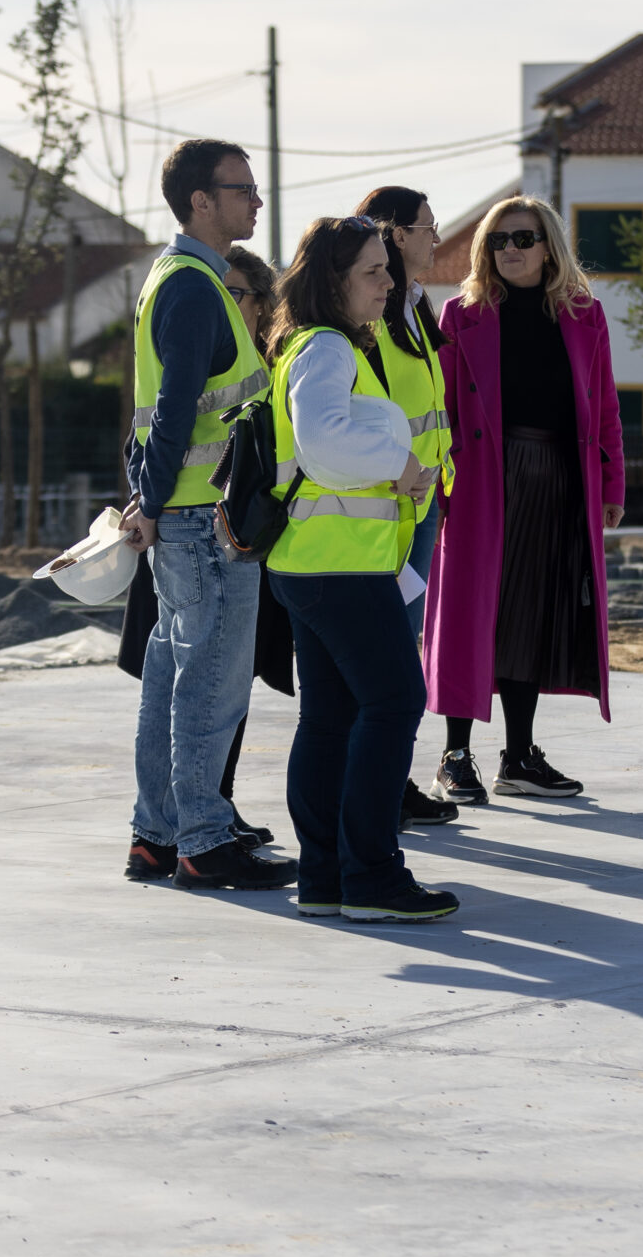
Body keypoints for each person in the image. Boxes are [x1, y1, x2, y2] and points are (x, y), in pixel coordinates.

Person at [266, 215, 457, 923]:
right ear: (335, 279)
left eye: (387, 267)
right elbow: (322, 442)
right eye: (374, 271)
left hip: (317, 563)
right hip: (339, 566)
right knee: (394, 703)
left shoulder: (312, 345)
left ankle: (327, 876)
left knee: (330, 716)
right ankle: (371, 875)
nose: (389, 281)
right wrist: (400, 464)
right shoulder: (326, 349)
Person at [121, 138, 297, 891]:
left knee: (170, 670)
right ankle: (201, 838)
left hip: (188, 519)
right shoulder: (193, 287)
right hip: (206, 523)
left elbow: (163, 415)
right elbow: (172, 414)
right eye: (242, 189)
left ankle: (158, 834)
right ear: (200, 199)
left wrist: (147, 498)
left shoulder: (183, 277)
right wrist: (153, 503)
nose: (256, 200)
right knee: (210, 682)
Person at [423, 195, 625, 803]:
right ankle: (456, 756)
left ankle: (519, 756)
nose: (509, 249)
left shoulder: (585, 315)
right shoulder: (461, 315)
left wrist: (611, 486)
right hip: (482, 477)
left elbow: (607, 408)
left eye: (522, 238)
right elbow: (441, 411)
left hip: (560, 475)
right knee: (471, 614)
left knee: (532, 612)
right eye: (498, 241)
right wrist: (440, 490)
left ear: (549, 247)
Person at [354, 186, 460, 830]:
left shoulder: (416, 305)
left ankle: (392, 775)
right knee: (384, 651)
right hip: (383, 509)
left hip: (419, 504)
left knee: (403, 645)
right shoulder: (368, 311)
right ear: (394, 233)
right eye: (426, 227)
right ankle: (377, 783)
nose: (436, 239)